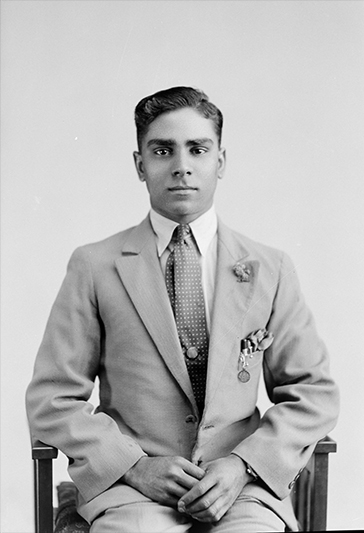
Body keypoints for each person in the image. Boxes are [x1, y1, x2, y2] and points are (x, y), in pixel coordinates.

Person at [26, 86, 340, 532]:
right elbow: (51, 398)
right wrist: (133, 466)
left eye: (198, 149)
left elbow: (314, 392)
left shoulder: (270, 268)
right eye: (162, 151)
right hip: (132, 490)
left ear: (221, 161)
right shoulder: (94, 266)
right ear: (140, 165)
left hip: (241, 489)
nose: (181, 167)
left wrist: (242, 465)